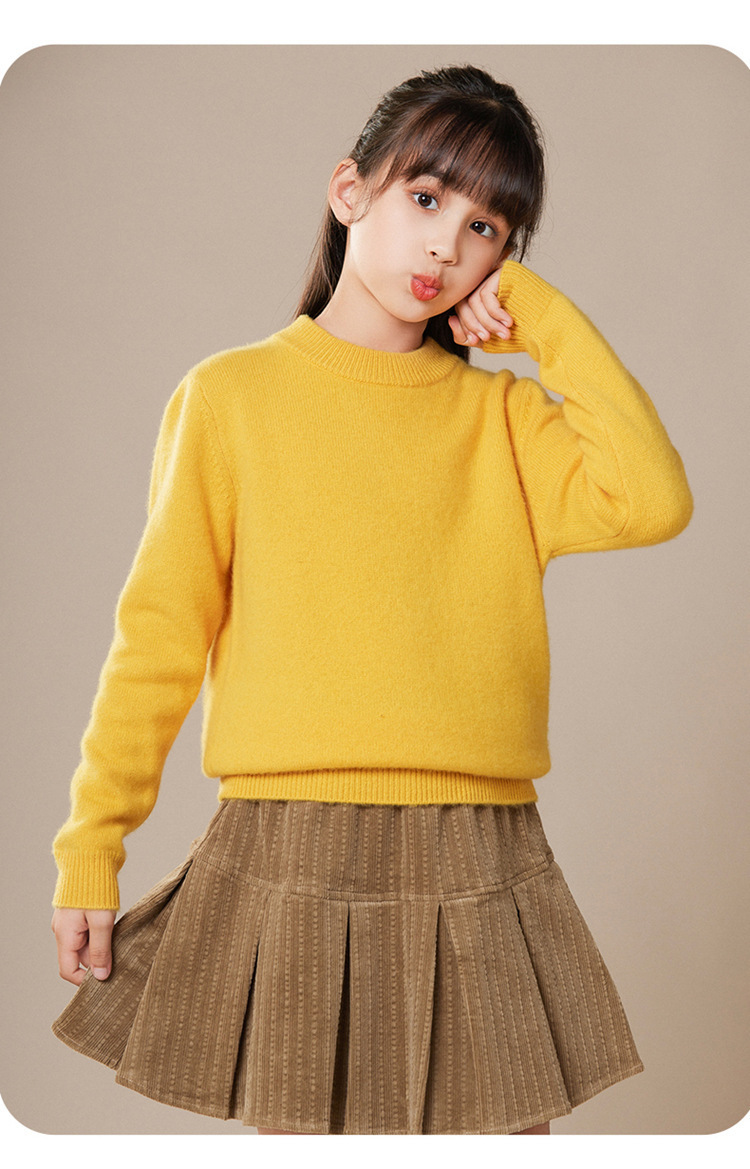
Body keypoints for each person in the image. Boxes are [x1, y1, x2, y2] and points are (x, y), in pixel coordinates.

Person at [50, 63, 693, 1136]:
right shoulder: (231, 398)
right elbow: (156, 640)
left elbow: (654, 499)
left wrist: (541, 319)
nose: (446, 246)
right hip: (289, 844)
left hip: (480, 843)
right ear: (350, 190)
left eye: (488, 229)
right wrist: (92, 845)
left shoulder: (503, 423)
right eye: (427, 198)